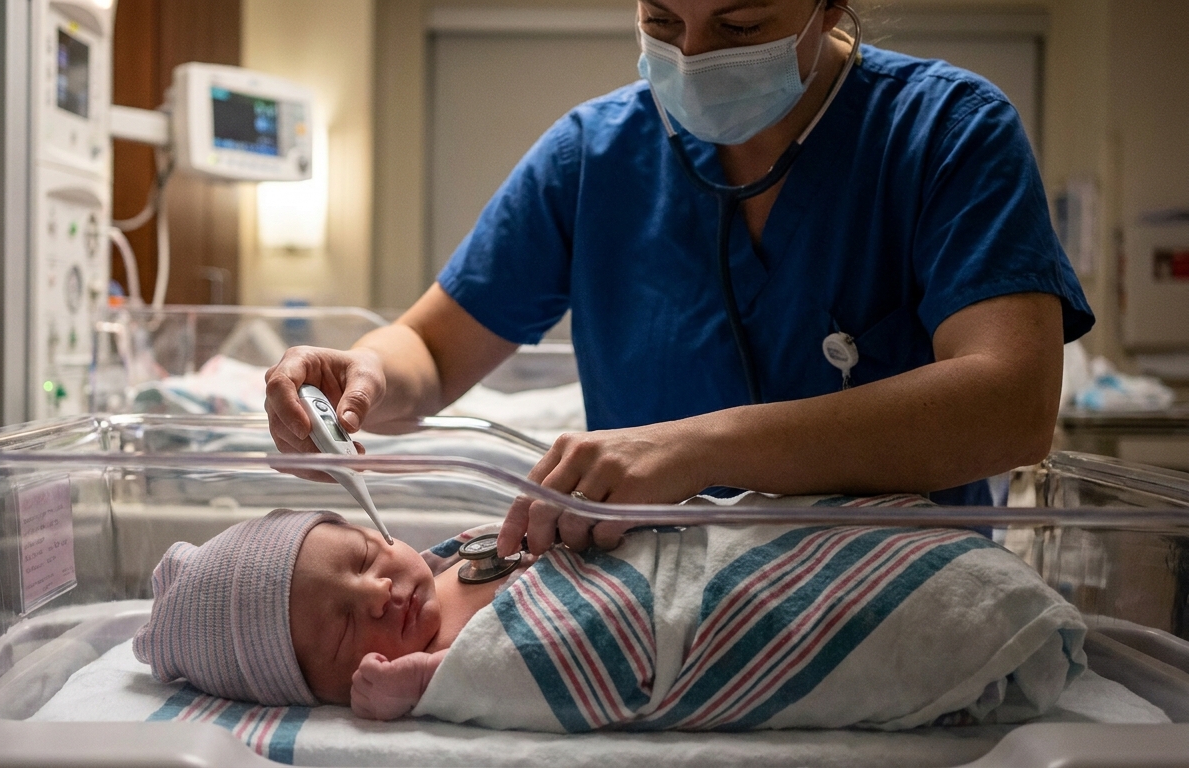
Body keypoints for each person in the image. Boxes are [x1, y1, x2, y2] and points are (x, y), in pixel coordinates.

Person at [264, 0, 1093, 557]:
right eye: (662, 20)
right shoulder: (594, 157)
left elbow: (1011, 404)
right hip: (651, 612)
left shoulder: (945, 134)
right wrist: (367, 368)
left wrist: (696, 449)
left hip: (893, 608)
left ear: (828, 8)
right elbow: (434, 354)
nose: (691, 57)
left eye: (738, 27)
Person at [131, 508, 1087, 731]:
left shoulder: (458, 548)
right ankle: (964, 636)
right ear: (328, 687)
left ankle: (964, 591)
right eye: (346, 630)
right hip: (670, 628)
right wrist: (423, 683)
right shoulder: (445, 648)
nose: (379, 592)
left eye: (359, 559)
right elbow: (528, 660)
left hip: (725, 554)